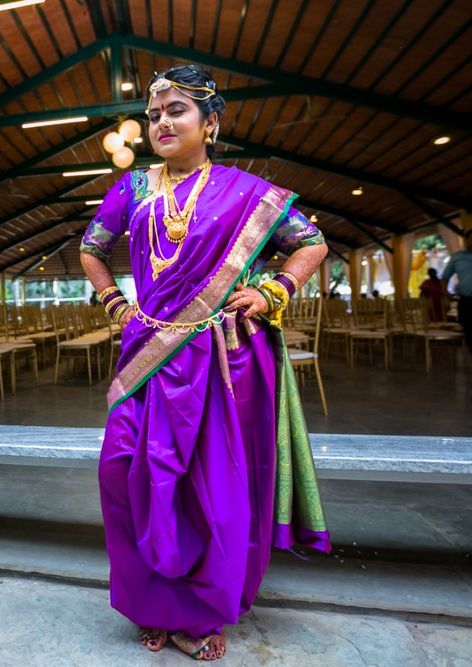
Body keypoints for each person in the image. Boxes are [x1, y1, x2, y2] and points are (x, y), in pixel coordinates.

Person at [80, 65, 331, 661]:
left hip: (224, 362)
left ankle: (200, 612)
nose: (161, 122)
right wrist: (117, 302)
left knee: (212, 488)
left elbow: (312, 242)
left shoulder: (247, 192)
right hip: (148, 356)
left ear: (209, 122)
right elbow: (91, 249)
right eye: (153, 114)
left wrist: (275, 290)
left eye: (176, 111)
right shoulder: (134, 190)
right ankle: (151, 602)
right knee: (127, 475)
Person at [442, 230, 472, 352]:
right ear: (466, 240)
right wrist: (446, 292)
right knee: (469, 331)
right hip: (466, 301)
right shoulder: (457, 257)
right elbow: (445, 276)